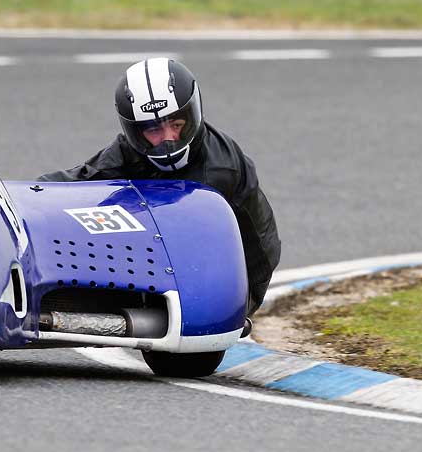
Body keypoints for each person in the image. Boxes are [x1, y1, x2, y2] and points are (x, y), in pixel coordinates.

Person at [39, 58, 281, 324]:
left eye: (176, 124)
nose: (167, 138)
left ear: (193, 116)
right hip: (151, 264)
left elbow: (260, 246)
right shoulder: (123, 157)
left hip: (225, 267)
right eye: (154, 129)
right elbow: (66, 187)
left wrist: (239, 307)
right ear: (134, 132)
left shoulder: (224, 170)